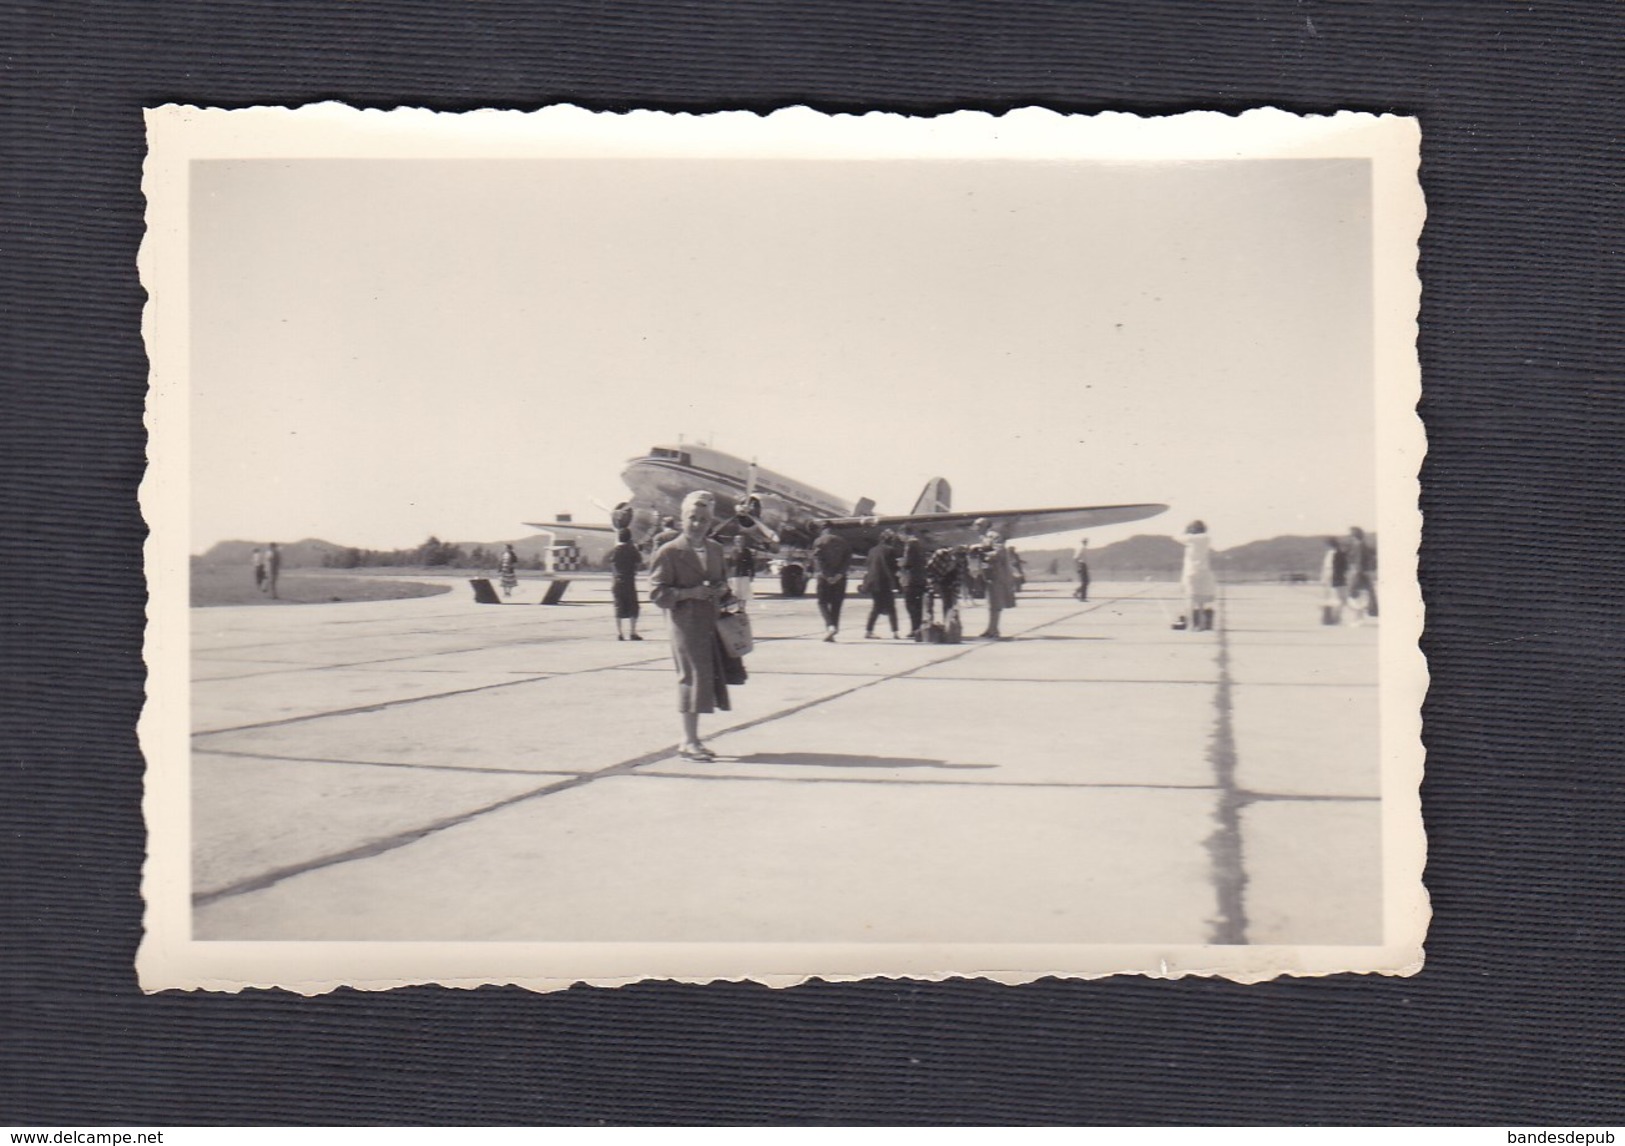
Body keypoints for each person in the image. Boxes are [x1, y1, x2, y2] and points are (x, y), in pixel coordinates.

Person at [649, 491, 740, 762]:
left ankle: (692, 739)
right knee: (691, 677)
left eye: (703, 519)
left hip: (710, 622)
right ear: (682, 519)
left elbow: (723, 581)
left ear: (711, 521)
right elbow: (657, 594)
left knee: (703, 678)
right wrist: (689, 593)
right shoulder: (669, 552)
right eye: (692, 518)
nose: (698, 524)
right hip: (685, 624)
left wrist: (723, 589)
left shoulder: (714, 549)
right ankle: (688, 741)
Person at [810, 521, 853, 642]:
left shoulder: (819, 541)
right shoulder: (844, 541)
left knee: (822, 603)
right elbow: (847, 561)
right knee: (836, 605)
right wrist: (839, 575)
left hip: (824, 578)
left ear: (823, 529)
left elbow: (818, 560)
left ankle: (830, 626)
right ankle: (833, 631)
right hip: (840, 579)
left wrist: (827, 575)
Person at [1174, 521, 1216, 632]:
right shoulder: (1206, 538)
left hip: (1191, 572)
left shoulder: (1190, 539)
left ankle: (1191, 625)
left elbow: (1177, 537)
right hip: (1204, 571)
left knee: (1190, 599)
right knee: (1200, 600)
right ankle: (1201, 625)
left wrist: (1186, 530)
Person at [860, 529, 901, 639]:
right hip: (885, 582)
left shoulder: (872, 550)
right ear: (890, 540)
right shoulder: (890, 550)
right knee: (891, 608)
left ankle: (869, 630)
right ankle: (895, 632)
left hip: (873, 582)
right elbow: (893, 568)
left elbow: (868, 565)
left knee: (876, 608)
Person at [978, 529, 1018, 639]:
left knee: (995, 604)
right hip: (990, 575)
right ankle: (991, 628)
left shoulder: (992, 535)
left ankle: (994, 629)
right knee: (991, 604)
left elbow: (998, 551)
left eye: (978, 525)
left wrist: (984, 554)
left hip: (997, 576)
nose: (976, 528)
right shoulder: (984, 536)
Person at [608, 528, 644, 641]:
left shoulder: (615, 550)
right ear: (629, 538)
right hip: (629, 582)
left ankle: (620, 633)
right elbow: (639, 562)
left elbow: (611, 562)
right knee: (633, 607)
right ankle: (632, 632)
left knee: (618, 606)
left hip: (616, 582)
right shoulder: (632, 550)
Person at [898, 525, 928, 639]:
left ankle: (915, 629)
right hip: (920, 579)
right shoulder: (919, 544)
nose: (900, 538)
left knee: (910, 605)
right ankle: (918, 629)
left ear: (904, 533)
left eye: (900, 535)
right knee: (918, 605)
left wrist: (901, 563)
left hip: (911, 579)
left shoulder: (910, 544)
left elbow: (908, 563)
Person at [1346, 525, 1379, 623]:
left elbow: (1358, 562)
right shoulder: (1362, 545)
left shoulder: (1358, 546)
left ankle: (1358, 618)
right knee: (1361, 596)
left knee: (1355, 597)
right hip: (1362, 573)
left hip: (1358, 574)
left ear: (1354, 536)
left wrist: (1356, 574)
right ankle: (1359, 617)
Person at [1319, 536, 1349, 625]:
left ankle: (1334, 617)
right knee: (1339, 599)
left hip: (1332, 577)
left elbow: (1327, 568)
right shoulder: (1337, 553)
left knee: (1335, 598)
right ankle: (1335, 618)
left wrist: (1324, 578)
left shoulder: (1333, 554)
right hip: (1335, 578)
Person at [726, 534, 758, 612]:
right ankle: (737, 607)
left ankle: (742, 608)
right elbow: (729, 563)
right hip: (735, 574)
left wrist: (752, 575)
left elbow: (751, 564)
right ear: (734, 542)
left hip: (744, 574)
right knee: (736, 592)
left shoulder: (747, 552)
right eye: (737, 541)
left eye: (740, 541)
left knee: (744, 592)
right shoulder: (733, 551)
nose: (739, 542)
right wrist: (727, 575)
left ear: (744, 542)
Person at [1073, 537, 1091, 602]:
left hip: (1084, 565)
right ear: (1083, 542)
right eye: (1085, 541)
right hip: (1082, 565)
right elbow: (1076, 557)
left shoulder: (1084, 548)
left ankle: (1077, 592)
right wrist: (1079, 566)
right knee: (1085, 582)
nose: (1086, 542)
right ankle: (1082, 597)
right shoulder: (1081, 548)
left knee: (1086, 582)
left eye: (1086, 541)